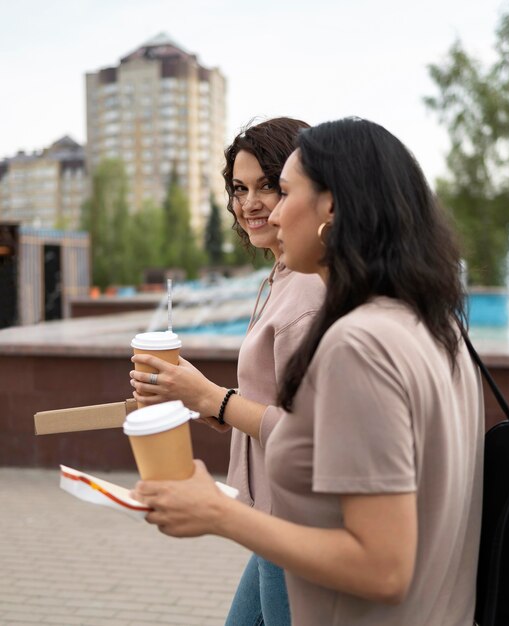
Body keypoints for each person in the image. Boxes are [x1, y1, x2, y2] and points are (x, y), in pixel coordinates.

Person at [131, 118, 484, 625]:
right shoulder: (431, 319)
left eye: (284, 190)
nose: (271, 211)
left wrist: (215, 510)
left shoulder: (358, 343)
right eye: (241, 190)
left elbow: (383, 568)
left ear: (332, 209)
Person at [129, 117, 325, 626]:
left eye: (269, 186)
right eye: (240, 188)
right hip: (272, 515)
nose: (250, 203)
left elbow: (312, 434)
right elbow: (280, 399)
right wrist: (202, 399)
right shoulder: (283, 275)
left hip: (297, 519)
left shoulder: (307, 287)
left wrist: (212, 399)